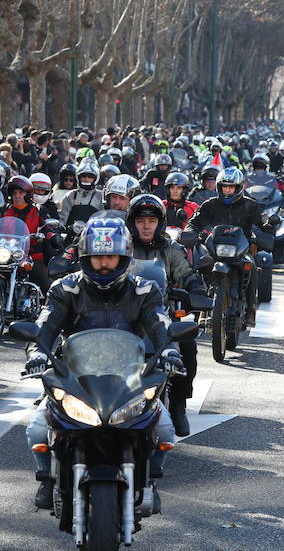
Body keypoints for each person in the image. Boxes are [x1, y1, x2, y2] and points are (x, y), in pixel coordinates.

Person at [24, 217, 182, 511]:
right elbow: (44, 326)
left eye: (110, 257)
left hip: (129, 376)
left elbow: (161, 325)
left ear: (124, 258)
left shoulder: (144, 290)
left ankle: (149, 482)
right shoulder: (65, 289)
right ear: (86, 258)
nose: (104, 265)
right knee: (36, 429)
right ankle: (48, 480)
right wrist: (37, 352)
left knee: (164, 431)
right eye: (98, 258)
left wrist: (170, 351)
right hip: (76, 377)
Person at [126, 194, 207, 436]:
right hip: (122, 315)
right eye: (141, 221)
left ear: (160, 223)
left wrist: (195, 288)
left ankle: (179, 405)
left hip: (162, 316)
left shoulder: (170, 249)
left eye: (152, 220)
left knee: (188, 346)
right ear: (132, 223)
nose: (147, 226)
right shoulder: (121, 246)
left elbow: (185, 271)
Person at [186, 167, 265, 327]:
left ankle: (251, 309)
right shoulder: (210, 204)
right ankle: (204, 305)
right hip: (216, 249)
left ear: (239, 187)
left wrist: (268, 229)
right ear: (219, 187)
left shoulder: (251, 205)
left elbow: (262, 224)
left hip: (242, 249)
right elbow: (194, 222)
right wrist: (190, 232)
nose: (227, 190)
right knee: (201, 264)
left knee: (252, 265)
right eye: (224, 186)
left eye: (231, 187)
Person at [60, 159, 103, 226]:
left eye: (90, 176)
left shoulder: (101, 196)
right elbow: (62, 219)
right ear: (78, 177)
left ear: (95, 178)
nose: (86, 179)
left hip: (95, 234)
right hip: (72, 234)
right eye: (83, 176)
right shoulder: (70, 195)